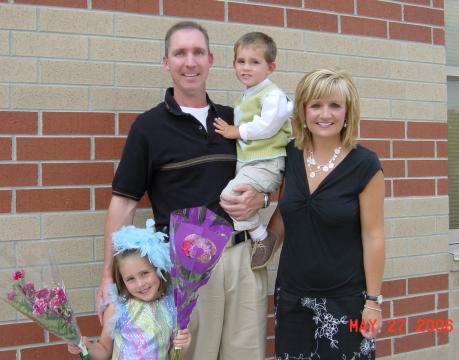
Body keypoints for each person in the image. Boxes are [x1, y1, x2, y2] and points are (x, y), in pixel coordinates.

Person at [96, 21, 268, 360]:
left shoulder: (237, 121)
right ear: (166, 62)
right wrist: (108, 278)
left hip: (242, 259)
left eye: (198, 52)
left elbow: (268, 175)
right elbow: (123, 204)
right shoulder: (148, 128)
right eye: (180, 53)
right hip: (188, 267)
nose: (190, 62)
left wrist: (261, 199)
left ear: (210, 59)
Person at [268, 69, 385, 359]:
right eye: (316, 105)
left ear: (348, 113)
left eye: (335, 105)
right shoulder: (290, 156)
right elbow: (285, 214)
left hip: (345, 300)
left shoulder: (365, 164)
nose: (325, 114)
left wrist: (373, 301)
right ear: (303, 111)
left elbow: (373, 236)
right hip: (292, 298)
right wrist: (260, 248)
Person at [213, 32, 293, 270]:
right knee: (233, 198)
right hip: (253, 163)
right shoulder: (246, 97)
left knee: (229, 197)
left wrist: (235, 131)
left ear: (271, 67)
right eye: (241, 61)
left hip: (267, 163)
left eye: (254, 62)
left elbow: (268, 126)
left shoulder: (273, 95)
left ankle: (261, 237)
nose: (246, 68)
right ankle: (259, 236)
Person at [68, 220, 191, 359]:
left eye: (145, 273)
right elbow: (104, 350)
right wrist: (85, 347)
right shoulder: (117, 308)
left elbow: (173, 355)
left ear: (158, 269)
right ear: (122, 281)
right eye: (130, 279)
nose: (140, 284)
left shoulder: (172, 307)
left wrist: (182, 345)